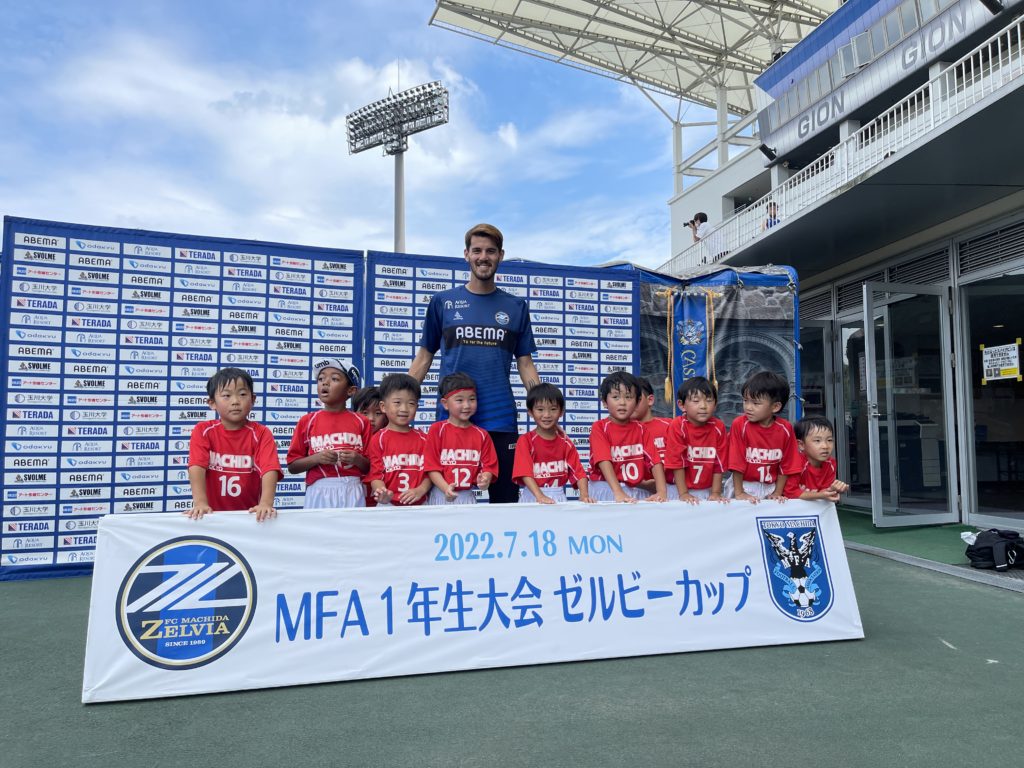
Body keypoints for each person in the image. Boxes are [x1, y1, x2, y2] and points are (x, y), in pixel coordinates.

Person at [409, 223, 539, 504]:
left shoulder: (516, 306)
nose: (483, 257)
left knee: (505, 500)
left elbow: (525, 363)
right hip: (452, 421)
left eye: (490, 251)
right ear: (466, 254)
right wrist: (399, 399)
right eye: (477, 250)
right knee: (449, 499)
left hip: (500, 418)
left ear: (500, 255)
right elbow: (424, 356)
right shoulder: (442, 302)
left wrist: (540, 406)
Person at [186, 367, 281, 521]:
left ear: (253, 399)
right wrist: (200, 503)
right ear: (212, 403)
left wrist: (265, 503)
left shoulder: (262, 433)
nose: (235, 401)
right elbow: (196, 466)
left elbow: (270, 469)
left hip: (251, 517)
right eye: (226, 396)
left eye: (242, 394)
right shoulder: (203, 430)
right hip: (211, 517)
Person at [286, 357, 371, 509]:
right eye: (321, 379)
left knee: (353, 525)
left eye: (334, 378)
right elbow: (292, 466)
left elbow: (371, 466)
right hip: (319, 488)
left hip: (353, 488)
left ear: (351, 390)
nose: (325, 383)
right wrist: (317, 458)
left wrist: (357, 459)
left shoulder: (362, 421)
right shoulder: (307, 421)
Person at [588, 370, 667, 503]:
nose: (622, 402)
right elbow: (603, 461)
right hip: (606, 488)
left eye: (628, 397)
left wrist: (661, 491)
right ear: (604, 402)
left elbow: (655, 461)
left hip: (635, 489)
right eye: (616, 397)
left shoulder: (641, 429)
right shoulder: (600, 427)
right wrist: (618, 492)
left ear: (637, 401)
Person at [424, 372, 499, 505]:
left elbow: (489, 467)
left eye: (472, 399)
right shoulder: (437, 430)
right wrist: (446, 488)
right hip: (441, 494)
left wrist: (485, 479)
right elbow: (431, 467)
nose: (467, 405)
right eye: (459, 400)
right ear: (445, 404)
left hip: (467, 496)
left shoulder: (482, 434)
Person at [728, 371, 803, 502]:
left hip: (771, 487)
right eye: (745, 401)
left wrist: (777, 492)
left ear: (775, 406)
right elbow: (736, 461)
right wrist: (739, 493)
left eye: (756, 403)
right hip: (743, 484)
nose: (748, 407)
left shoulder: (785, 428)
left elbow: (786, 465)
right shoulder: (739, 424)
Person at [512, 383, 592, 504]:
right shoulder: (525, 441)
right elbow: (524, 473)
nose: (547, 415)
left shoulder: (565, 442)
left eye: (553, 409)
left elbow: (579, 473)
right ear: (530, 412)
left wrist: (584, 495)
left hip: (558, 497)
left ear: (561, 412)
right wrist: (540, 496)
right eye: (540, 409)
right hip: (532, 496)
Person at [366, 374, 432, 506]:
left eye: (411, 403)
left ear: (417, 407)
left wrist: (421, 490)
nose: (404, 409)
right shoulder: (378, 439)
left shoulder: (425, 439)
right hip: (388, 505)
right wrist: (382, 492)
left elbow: (431, 472)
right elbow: (375, 475)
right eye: (397, 403)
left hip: (420, 505)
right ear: (383, 407)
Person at [664, 376, 730, 503]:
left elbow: (719, 463)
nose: (703, 406)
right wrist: (684, 494)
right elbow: (677, 463)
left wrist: (716, 492)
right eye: (696, 401)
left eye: (709, 400)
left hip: (706, 489)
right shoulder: (677, 425)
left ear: (715, 404)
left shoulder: (718, 427)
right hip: (677, 489)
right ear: (682, 405)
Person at [631, 378, 677, 500]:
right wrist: (641, 484)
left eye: (637, 399)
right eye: (627, 398)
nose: (630, 403)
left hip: (669, 492)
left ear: (650, 400)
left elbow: (682, 461)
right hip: (631, 493)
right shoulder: (618, 431)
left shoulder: (670, 426)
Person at [784, 417, 850, 501]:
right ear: (801, 445)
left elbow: (823, 491)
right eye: (817, 441)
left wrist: (832, 490)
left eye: (829, 440)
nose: (825, 446)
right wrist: (821, 495)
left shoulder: (830, 464)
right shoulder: (796, 463)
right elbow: (790, 492)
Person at [352, 385, 387, 507]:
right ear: (354, 414)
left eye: (378, 413)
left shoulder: (390, 440)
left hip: (383, 505)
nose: (371, 419)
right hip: (354, 504)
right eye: (365, 413)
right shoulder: (348, 440)